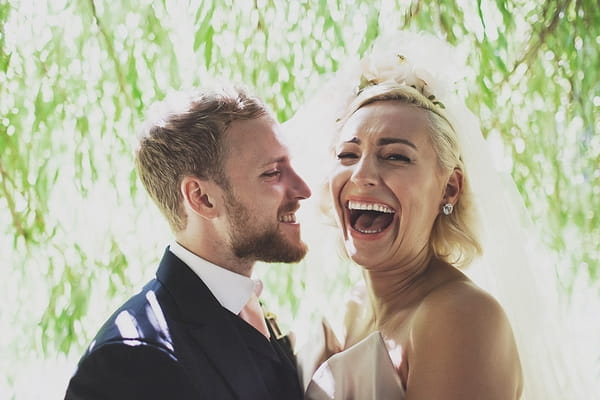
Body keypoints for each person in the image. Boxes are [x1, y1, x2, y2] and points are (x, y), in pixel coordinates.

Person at [291, 32, 593, 399]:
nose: (362, 175)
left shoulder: (461, 315)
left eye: (396, 156)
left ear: (449, 189)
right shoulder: (352, 307)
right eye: (348, 155)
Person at [64, 85, 310, 399]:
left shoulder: (253, 312)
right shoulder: (132, 360)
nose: (303, 189)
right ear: (202, 198)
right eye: (273, 173)